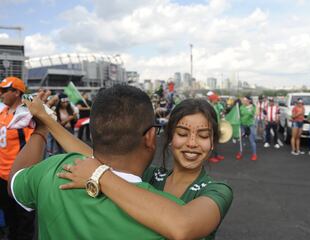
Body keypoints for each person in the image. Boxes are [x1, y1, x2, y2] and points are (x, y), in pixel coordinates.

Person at [17, 89, 233, 239]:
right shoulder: (151, 176)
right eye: (183, 133)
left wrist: (99, 175)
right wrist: (47, 121)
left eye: (203, 136)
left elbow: (183, 227)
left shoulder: (216, 191)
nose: (193, 143)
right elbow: (94, 155)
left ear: (213, 142)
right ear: (168, 137)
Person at [0, 76, 35, 240]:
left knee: (24, 223)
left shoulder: (26, 116)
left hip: (19, 177)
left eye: (4, 90)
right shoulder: (2, 112)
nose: (1, 94)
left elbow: (34, 147)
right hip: (1, 177)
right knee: (9, 218)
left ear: (16, 92)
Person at [236, 96, 257, 161]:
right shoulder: (241, 107)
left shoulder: (253, 107)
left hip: (250, 126)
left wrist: (253, 110)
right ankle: (241, 152)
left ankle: (254, 154)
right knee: (241, 140)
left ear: (249, 101)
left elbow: (256, 114)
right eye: (243, 100)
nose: (243, 101)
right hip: (242, 126)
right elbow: (238, 115)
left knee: (251, 141)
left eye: (245, 100)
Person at [207, 92, 225, 163]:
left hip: (216, 125)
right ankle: (210, 157)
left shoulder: (217, 105)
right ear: (212, 100)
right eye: (216, 99)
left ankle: (216, 155)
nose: (217, 100)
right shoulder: (209, 106)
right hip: (211, 125)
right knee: (211, 141)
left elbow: (222, 111)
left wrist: (222, 112)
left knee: (216, 141)